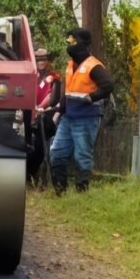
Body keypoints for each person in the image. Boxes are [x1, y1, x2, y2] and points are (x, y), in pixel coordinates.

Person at [49, 28, 114, 194]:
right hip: (68, 118)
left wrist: (91, 98)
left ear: (82, 43)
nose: (69, 44)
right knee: (57, 152)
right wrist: (58, 112)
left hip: (86, 118)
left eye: (73, 40)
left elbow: (107, 86)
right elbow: (68, 92)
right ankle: (60, 190)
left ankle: (81, 190)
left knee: (82, 156)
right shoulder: (70, 65)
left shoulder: (94, 65)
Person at [26, 47, 60, 185]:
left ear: (48, 61)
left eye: (44, 59)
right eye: (38, 59)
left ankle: (33, 174)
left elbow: (52, 96)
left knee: (40, 148)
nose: (41, 62)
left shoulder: (54, 76)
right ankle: (26, 176)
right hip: (27, 113)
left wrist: (41, 107)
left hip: (44, 115)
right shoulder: (30, 75)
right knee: (26, 145)